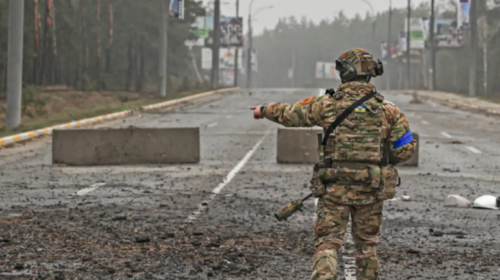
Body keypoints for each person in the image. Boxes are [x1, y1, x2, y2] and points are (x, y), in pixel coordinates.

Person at [250, 48, 417, 280]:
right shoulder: (389, 111)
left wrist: (264, 110)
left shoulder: (327, 105)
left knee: (328, 242)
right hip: (371, 187)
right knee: (367, 245)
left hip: (334, 187)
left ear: (345, 73)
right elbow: (405, 148)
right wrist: (381, 159)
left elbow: (291, 114)